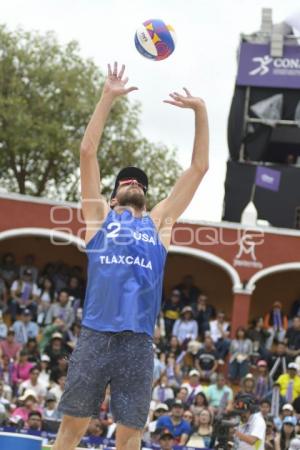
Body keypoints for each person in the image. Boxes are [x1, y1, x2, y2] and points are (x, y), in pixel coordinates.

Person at [53, 61, 209, 450]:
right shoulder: (99, 219)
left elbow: (199, 167)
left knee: (130, 436)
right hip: (95, 334)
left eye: (140, 181)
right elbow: (88, 151)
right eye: (127, 180)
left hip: (137, 342)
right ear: (112, 196)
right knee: (72, 427)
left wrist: (201, 110)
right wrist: (107, 97)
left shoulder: (159, 224)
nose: (134, 182)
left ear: (146, 194)